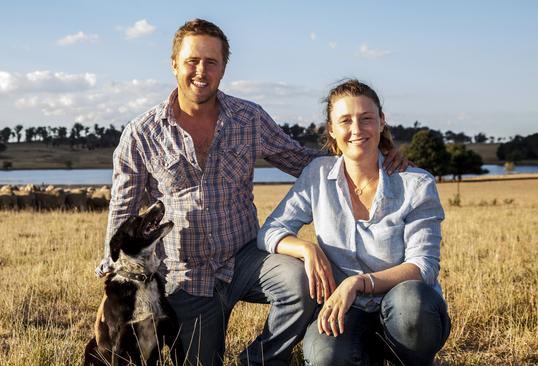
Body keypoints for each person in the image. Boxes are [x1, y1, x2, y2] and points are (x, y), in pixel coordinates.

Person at [97, 19, 408, 366]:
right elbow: (122, 212)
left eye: (211, 62)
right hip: (185, 277)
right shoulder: (141, 133)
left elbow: (302, 161)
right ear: (174, 64)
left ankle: (258, 360)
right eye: (192, 61)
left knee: (301, 281)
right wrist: (112, 276)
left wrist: (369, 152)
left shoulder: (249, 118)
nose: (201, 71)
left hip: (244, 259)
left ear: (224, 68)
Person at [258, 79, 451, 366]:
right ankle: (366, 354)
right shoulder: (317, 175)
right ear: (331, 130)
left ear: (382, 122)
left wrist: (358, 283)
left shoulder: (416, 183)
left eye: (367, 119)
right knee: (325, 356)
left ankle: (409, 358)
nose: (357, 130)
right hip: (347, 312)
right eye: (345, 120)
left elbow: (423, 267)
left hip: (402, 310)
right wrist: (306, 249)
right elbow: (270, 231)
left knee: (412, 303)